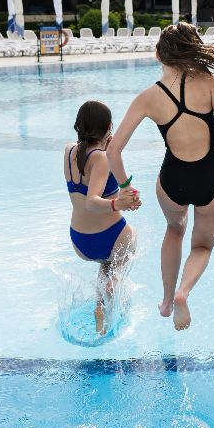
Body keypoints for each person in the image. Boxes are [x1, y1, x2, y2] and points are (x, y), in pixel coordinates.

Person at [106, 22, 214, 331]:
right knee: (202, 247)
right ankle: (184, 292)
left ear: (158, 55)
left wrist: (125, 187)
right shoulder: (207, 82)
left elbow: (113, 150)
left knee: (174, 230)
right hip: (211, 177)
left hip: (172, 181)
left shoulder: (147, 97)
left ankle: (168, 301)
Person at [65, 100, 141, 334]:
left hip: (80, 241)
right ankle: (113, 288)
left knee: (106, 264)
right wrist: (119, 204)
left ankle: (99, 305)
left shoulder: (69, 151)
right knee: (130, 241)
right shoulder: (101, 158)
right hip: (108, 236)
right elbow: (92, 201)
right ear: (109, 126)